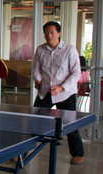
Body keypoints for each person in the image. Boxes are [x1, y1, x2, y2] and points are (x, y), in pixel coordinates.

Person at [32, 21, 83, 165]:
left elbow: (75, 73)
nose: (49, 35)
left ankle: (78, 154)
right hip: (45, 92)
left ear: (59, 34)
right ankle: (21, 153)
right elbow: (36, 69)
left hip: (65, 93)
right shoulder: (40, 50)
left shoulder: (70, 50)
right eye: (46, 32)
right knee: (33, 122)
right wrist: (37, 80)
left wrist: (62, 87)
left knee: (70, 124)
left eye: (52, 32)